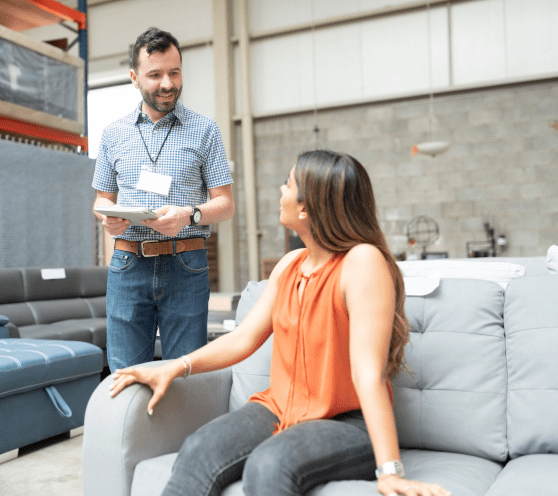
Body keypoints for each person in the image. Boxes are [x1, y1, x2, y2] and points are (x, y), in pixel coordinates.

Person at [109, 150, 452, 496]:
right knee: (199, 448)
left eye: (287, 184)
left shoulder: (362, 262)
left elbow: (368, 374)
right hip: (276, 407)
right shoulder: (290, 265)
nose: (280, 191)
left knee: (269, 464)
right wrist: (175, 366)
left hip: (345, 421)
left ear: (305, 208)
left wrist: (391, 471)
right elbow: (244, 338)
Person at [92, 27, 235, 373]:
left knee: (185, 375)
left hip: (186, 267)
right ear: (134, 77)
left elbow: (226, 204)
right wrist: (108, 217)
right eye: (155, 75)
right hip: (128, 267)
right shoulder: (113, 134)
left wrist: (190, 215)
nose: (167, 83)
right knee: (124, 376)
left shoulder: (205, 130)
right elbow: (101, 200)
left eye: (174, 72)